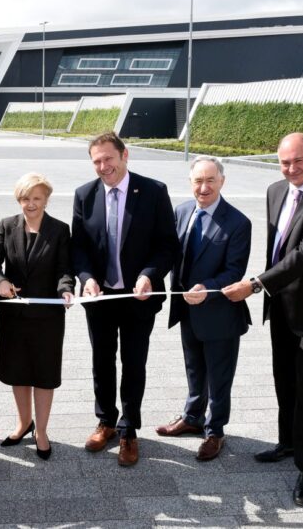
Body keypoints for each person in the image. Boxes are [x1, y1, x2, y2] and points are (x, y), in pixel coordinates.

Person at [223, 132, 303, 506]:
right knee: (285, 376)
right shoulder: (275, 190)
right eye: (284, 162)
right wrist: (266, 287)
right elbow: (276, 248)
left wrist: (255, 284)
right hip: (280, 303)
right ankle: (288, 442)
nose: (291, 169)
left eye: (298, 161)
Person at [72, 131, 179, 467]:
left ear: (124, 155)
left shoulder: (153, 191)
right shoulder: (84, 195)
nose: (104, 166)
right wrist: (87, 279)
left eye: (108, 159)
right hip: (100, 298)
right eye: (97, 161)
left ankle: (129, 429)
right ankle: (105, 422)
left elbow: (167, 245)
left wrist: (149, 273)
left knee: (133, 362)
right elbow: (79, 248)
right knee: (101, 361)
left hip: (138, 297)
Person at [156, 157, 251, 461]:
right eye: (198, 180)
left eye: (210, 180)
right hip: (187, 311)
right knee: (194, 369)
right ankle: (192, 417)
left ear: (222, 181)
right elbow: (170, 253)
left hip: (219, 313)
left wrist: (205, 289)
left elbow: (234, 272)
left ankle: (215, 431)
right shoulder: (182, 211)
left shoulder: (238, 223)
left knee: (219, 376)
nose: (204, 187)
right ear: (190, 182)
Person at [0, 173, 74, 460]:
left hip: (48, 316)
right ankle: (24, 423)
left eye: (37, 198)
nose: (31, 203)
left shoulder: (60, 230)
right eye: (26, 198)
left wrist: (66, 290)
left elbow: (64, 268)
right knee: (18, 372)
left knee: (44, 374)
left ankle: (43, 431)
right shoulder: (7, 225)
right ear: (18, 200)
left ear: (46, 200)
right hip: (14, 315)